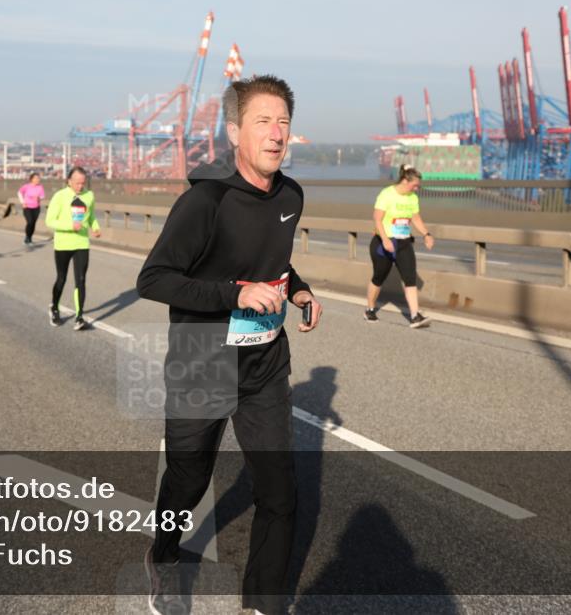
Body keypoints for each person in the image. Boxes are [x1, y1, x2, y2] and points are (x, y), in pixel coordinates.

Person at [136, 75, 323, 615]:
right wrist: (236, 292)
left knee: (280, 493)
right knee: (188, 479)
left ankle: (263, 604)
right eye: (263, 121)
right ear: (235, 129)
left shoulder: (291, 194)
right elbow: (154, 280)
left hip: (264, 362)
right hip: (202, 361)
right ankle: (164, 557)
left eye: (284, 122)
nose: (276, 133)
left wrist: (299, 288)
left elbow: (273, 259)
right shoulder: (205, 201)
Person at [365, 164, 435, 328]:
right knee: (378, 277)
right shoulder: (387, 194)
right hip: (384, 242)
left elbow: (416, 218)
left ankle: (414, 316)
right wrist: (385, 240)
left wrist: (426, 234)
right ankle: (369, 309)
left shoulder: (412, 198)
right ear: (405, 180)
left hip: (404, 242)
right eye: (415, 185)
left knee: (410, 278)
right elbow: (377, 218)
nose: (417, 188)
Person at [45, 167, 101, 330]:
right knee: (61, 278)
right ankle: (54, 308)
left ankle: (79, 317)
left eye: (83, 183)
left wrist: (95, 227)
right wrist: (70, 226)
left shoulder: (89, 196)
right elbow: (50, 221)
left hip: (82, 243)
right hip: (63, 244)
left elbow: (91, 216)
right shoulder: (60, 196)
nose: (80, 186)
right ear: (69, 181)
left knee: (81, 279)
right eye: (77, 183)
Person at [17, 172, 46, 246]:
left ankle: (30, 238)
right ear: (32, 179)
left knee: (33, 223)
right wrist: (23, 202)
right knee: (29, 222)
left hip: (36, 207)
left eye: (38, 178)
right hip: (27, 207)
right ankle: (27, 238)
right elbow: (19, 193)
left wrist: (38, 198)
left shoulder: (40, 187)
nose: (38, 179)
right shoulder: (26, 186)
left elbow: (43, 196)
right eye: (36, 178)